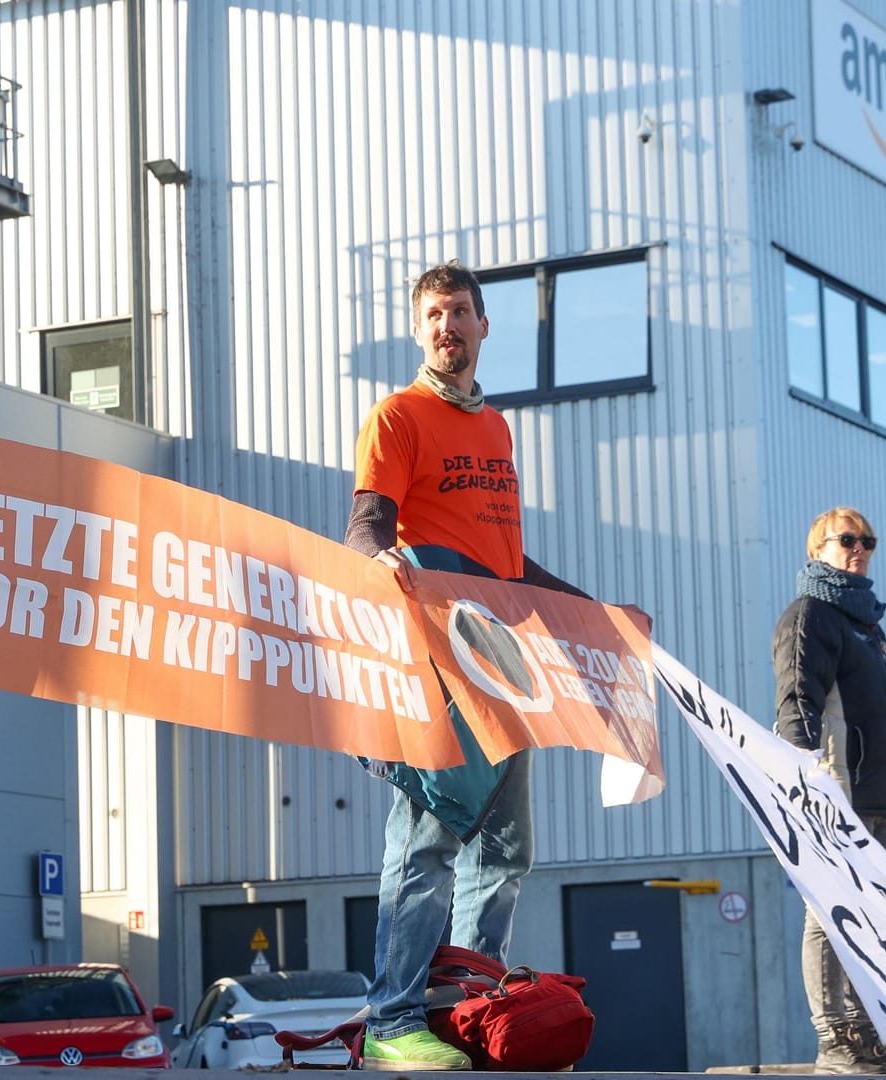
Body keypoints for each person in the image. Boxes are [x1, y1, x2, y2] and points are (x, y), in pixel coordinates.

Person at [344, 261, 592, 1071]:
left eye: (459, 313)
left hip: (502, 654)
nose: (446, 327)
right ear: (420, 331)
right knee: (428, 833)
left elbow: (509, 563)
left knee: (503, 843)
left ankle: (465, 1003)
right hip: (440, 654)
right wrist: (378, 563)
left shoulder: (496, 430)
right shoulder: (398, 415)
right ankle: (392, 1019)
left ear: (484, 327)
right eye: (432, 315)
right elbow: (367, 527)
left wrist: (595, 613)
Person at [772, 507, 886, 1074]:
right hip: (838, 794)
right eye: (846, 540)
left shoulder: (867, 626)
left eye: (868, 540)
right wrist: (808, 782)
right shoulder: (811, 615)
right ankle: (834, 1040)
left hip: (880, 799)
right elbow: (797, 702)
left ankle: (870, 1035)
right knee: (830, 913)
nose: (859, 548)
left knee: (874, 919)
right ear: (817, 548)